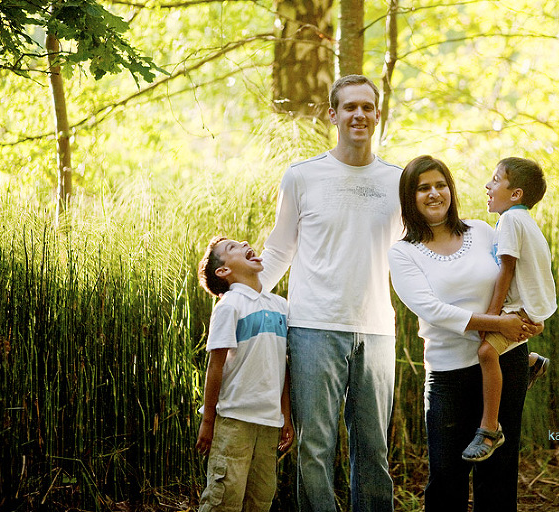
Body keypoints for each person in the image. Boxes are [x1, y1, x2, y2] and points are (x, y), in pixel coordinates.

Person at [258, 75, 402, 512]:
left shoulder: (399, 181)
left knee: (374, 450)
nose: (359, 114)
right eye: (349, 107)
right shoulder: (302, 176)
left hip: (377, 330)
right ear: (332, 113)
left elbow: (419, 256)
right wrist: (242, 295)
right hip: (313, 327)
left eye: (367, 107)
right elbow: (279, 249)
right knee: (313, 448)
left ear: (378, 114)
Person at [388, 155, 540, 512]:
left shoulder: (482, 231)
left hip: (506, 361)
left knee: (499, 476)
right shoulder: (403, 253)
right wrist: (497, 323)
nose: (434, 193)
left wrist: (529, 316)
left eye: (440, 185)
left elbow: (516, 276)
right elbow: (432, 311)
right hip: (448, 374)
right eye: (423, 188)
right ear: (410, 198)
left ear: (451, 190)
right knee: (446, 477)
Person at [462, 157, 557, 462]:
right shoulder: (525, 221)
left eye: (495, 179)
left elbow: (507, 270)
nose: (487, 186)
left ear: (515, 193)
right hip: (527, 309)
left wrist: (491, 318)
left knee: (487, 352)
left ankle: (490, 429)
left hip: (518, 311)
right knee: (497, 352)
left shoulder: (510, 221)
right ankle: (530, 361)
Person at [195, 237, 294, 512]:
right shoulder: (229, 305)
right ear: (223, 271)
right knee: (224, 498)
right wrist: (208, 420)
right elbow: (215, 366)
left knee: (261, 500)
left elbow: (282, 366)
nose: (244, 243)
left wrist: (285, 416)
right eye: (232, 248)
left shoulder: (280, 306)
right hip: (234, 420)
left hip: (269, 423)